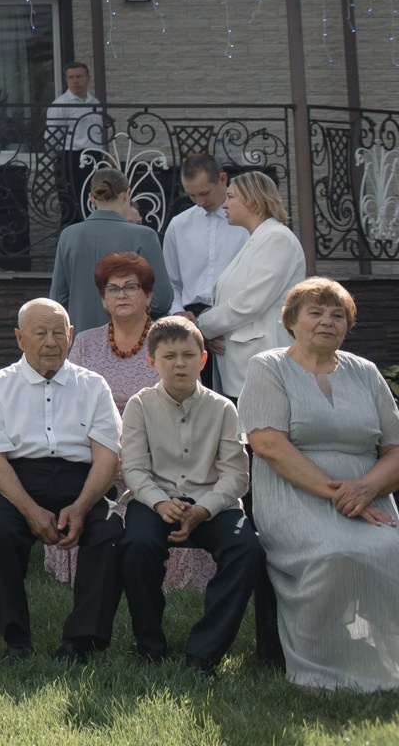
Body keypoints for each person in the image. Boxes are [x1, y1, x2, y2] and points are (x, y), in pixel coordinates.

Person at [241, 278, 399, 692]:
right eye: (316, 312)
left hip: (370, 493)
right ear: (292, 320)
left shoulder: (364, 372)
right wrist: (341, 493)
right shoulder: (268, 367)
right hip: (293, 495)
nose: (328, 321)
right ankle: (320, 670)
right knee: (334, 551)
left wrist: (365, 489)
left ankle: (387, 661)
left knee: (391, 548)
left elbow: (395, 448)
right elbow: (269, 445)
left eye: (338, 315)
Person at [47, 251, 212, 593]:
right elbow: (67, 402)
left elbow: (191, 404)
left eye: (131, 287)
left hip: (160, 457)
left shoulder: (170, 342)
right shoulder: (86, 343)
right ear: (103, 300)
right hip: (97, 454)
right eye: (112, 289)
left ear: (149, 296)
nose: (121, 295)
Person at [0, 297, 125, 661]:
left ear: (70, 335)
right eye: (40, 333)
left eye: (59, 332)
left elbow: (108, 456)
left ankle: (79, 641)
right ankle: (17, 641)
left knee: (110, 532)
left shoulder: (94, 386)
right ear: (19, 338)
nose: (51, 342)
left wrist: (81, 506)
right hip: (17, 478)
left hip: (82, 480)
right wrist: (30, 511)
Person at [118, 315, 264, 672]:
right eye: (169, 356)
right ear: (152, 362)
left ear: (203, 359)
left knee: (246, 550)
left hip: (212, 501)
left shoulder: (223, 407)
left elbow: (236, 473)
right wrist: (159, 502)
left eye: (188, 355)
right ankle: (149, 644)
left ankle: (205, 651)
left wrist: (205, 509)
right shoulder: (139, 405)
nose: (179, 363)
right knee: (137, 546)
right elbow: (133, 467)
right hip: (155, 499)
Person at [190, 171, 306, 400]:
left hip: (262, 363)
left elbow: (251, 302)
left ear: (253, 200)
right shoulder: (258, 238)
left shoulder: (276, 238)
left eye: (231, 197)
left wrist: (202, 326)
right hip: (242, 364)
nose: (225, 204)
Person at [48, 168, 164, 332]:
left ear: (91, 199)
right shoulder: (144, 236)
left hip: (79, 342)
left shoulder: (68, 236)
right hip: (130, 342)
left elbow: (57, 301)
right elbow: (162, 300)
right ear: (126, 195)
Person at [162, 154, 247, 319]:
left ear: (223, 179)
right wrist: (177, 312)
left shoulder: (246, 224)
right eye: (192, 196)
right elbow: (170, 282)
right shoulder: (178, 225)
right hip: (189, 319)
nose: (199, 202)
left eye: (204, 193)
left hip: (234, 316)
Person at [45, 61, 107, 227]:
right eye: (71, 77)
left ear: (88, 78)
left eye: (79, 76)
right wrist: (57, 160)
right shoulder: (60, 105)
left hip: (93, 157)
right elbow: (51, 137)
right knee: (71, 205)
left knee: (94, 202)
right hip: (70, 156)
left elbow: (99, 134)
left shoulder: (95, 103)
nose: (75, 81)